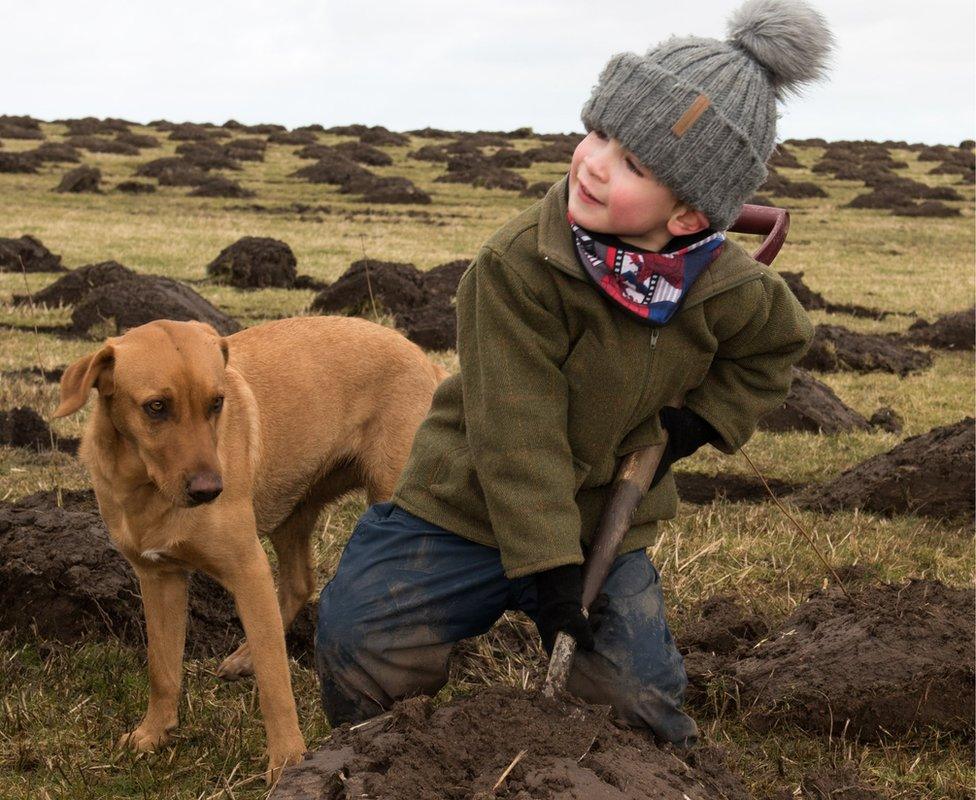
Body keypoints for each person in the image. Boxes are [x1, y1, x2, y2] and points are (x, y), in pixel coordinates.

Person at [316, 0, 833, 746]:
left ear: (687, 216)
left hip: (604, 520)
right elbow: (517, 437)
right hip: (467, 504)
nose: (593, 161)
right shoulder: (519, 266)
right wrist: (553, 571)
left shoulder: (725, 287)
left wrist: (698, 424)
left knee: (634, 701)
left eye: (633, 162)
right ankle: (384, 756)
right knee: (362, 641)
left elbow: (776, 346)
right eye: (599, 131)